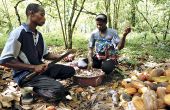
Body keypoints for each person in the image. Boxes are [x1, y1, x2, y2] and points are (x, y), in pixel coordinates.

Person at [0, 3, 75, 103]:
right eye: (42, 14)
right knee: (59, 91)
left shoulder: (39, 35)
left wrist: (63, 56)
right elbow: (4, 61)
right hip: (26, 76)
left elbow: (46, 55)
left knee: (70, 70)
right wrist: (33, 67)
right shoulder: (18, 33)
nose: (44, 18)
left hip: (41, 70)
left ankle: (44, 82)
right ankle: (29, 88)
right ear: (31, 13)